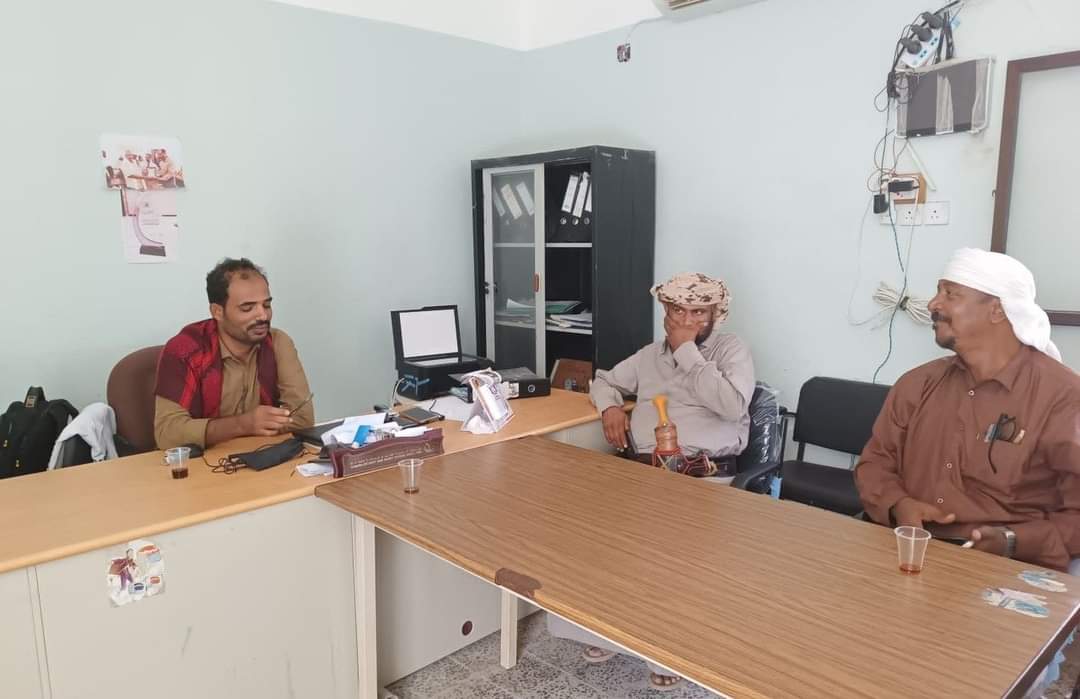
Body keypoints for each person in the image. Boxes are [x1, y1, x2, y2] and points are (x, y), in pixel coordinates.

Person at [548, 271, 755, 692]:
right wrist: (610, 408)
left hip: (703, 477)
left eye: (698, 313)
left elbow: (734, 406)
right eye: (679, 311)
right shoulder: (648, 355)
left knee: (673, 557)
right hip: (644, 471)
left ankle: (668, 650)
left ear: (715, 314)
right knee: (590, 533)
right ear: (665, 312)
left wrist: (687, 352)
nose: (688, 321)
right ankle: (606, 632)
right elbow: (605, 379)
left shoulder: (730, 350)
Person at [154, 258, 315, 449]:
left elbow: (302, 418)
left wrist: (258, 427)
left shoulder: (278, 343)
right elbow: (167, 433)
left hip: (260, 456)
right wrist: (243, 425)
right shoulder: (185, 351)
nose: (263, 316)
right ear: (217, 312)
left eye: (266, 305)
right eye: (247, 308)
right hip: (201, 461)